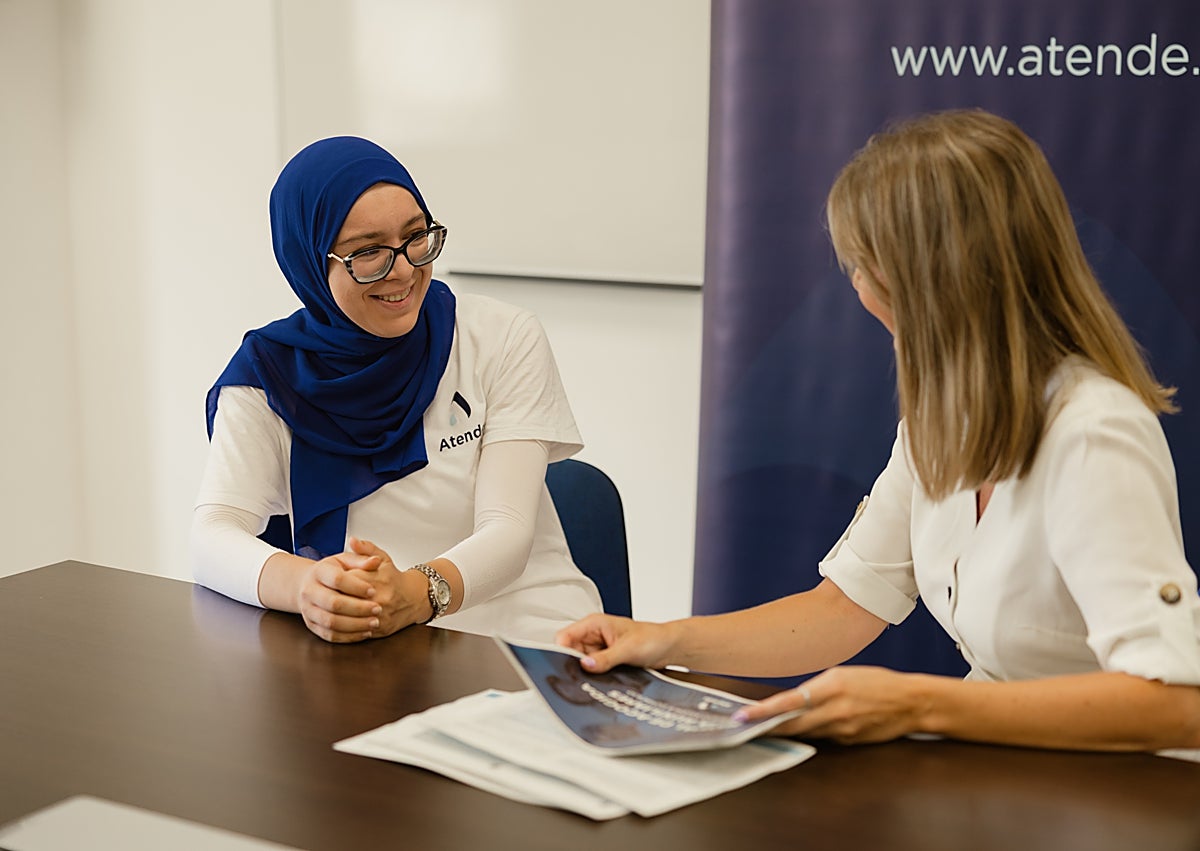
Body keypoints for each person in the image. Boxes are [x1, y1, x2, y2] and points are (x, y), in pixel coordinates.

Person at [557, 109, 1200, 752]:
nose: (858, 287)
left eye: (864, 266)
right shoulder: (943, 421)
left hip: (1116, 786)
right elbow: (842, 609)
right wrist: (665, 640)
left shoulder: (1092, 434)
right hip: (1007, 770)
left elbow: (1175, 703)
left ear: (931, 279)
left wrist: (920, 704)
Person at [192, 135, 601, 644]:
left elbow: (508, 532)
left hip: (530, 634)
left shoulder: (499, 337)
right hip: (375, 647)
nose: (405, 270)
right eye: (368, 253)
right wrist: (306, 586)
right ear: (309, 262)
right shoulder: (269, 377)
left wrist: (415, 593)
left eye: (416, 237)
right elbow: (213, 534)